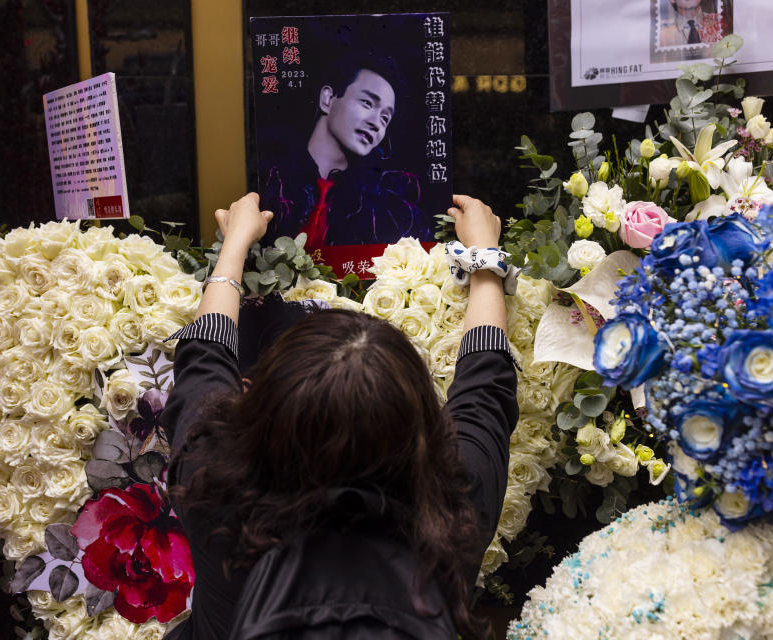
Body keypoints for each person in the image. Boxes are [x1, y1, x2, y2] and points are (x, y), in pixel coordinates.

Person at [161, 192, 519, 639]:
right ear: (422, 422)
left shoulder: (214, 482)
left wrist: (235, 245)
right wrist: (484, 261)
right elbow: (485, 387)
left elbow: (203, 357)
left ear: (259, 404)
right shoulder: (454, 501)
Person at [261, 57, 428, 249]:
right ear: (327, 99)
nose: (376, 123)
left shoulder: (385, 209)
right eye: (367, 103)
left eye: (385, 118)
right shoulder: (272, 180)